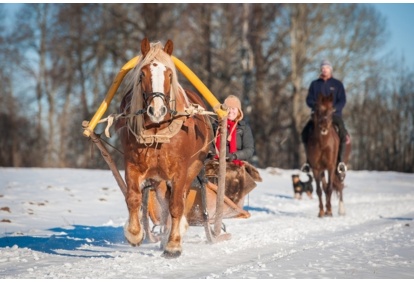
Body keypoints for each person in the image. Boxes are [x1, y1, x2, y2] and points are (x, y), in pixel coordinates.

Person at [301, 60, 348, 176]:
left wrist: (334, 109)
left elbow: (343, 100)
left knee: (343, 134)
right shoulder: (315, 84)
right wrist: (316, 107)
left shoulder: (337, 84)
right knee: (304, 133)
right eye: (322, 68)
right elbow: (309, 99)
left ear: (330, 69)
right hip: (318, 117)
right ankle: (308, 162)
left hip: (334, 116)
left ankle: (340, 162)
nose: (324, 70)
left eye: (326, 67)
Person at [212, 95, 255, 163]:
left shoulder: (244, 128)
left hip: (236, 164)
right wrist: (214, 154)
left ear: (238, 111)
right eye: (228, 108)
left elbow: (249, 150)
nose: (230, 111)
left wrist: (234, 156)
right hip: (215, 162)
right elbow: (208, 146)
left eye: (233, 108)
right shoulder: (215, 126)